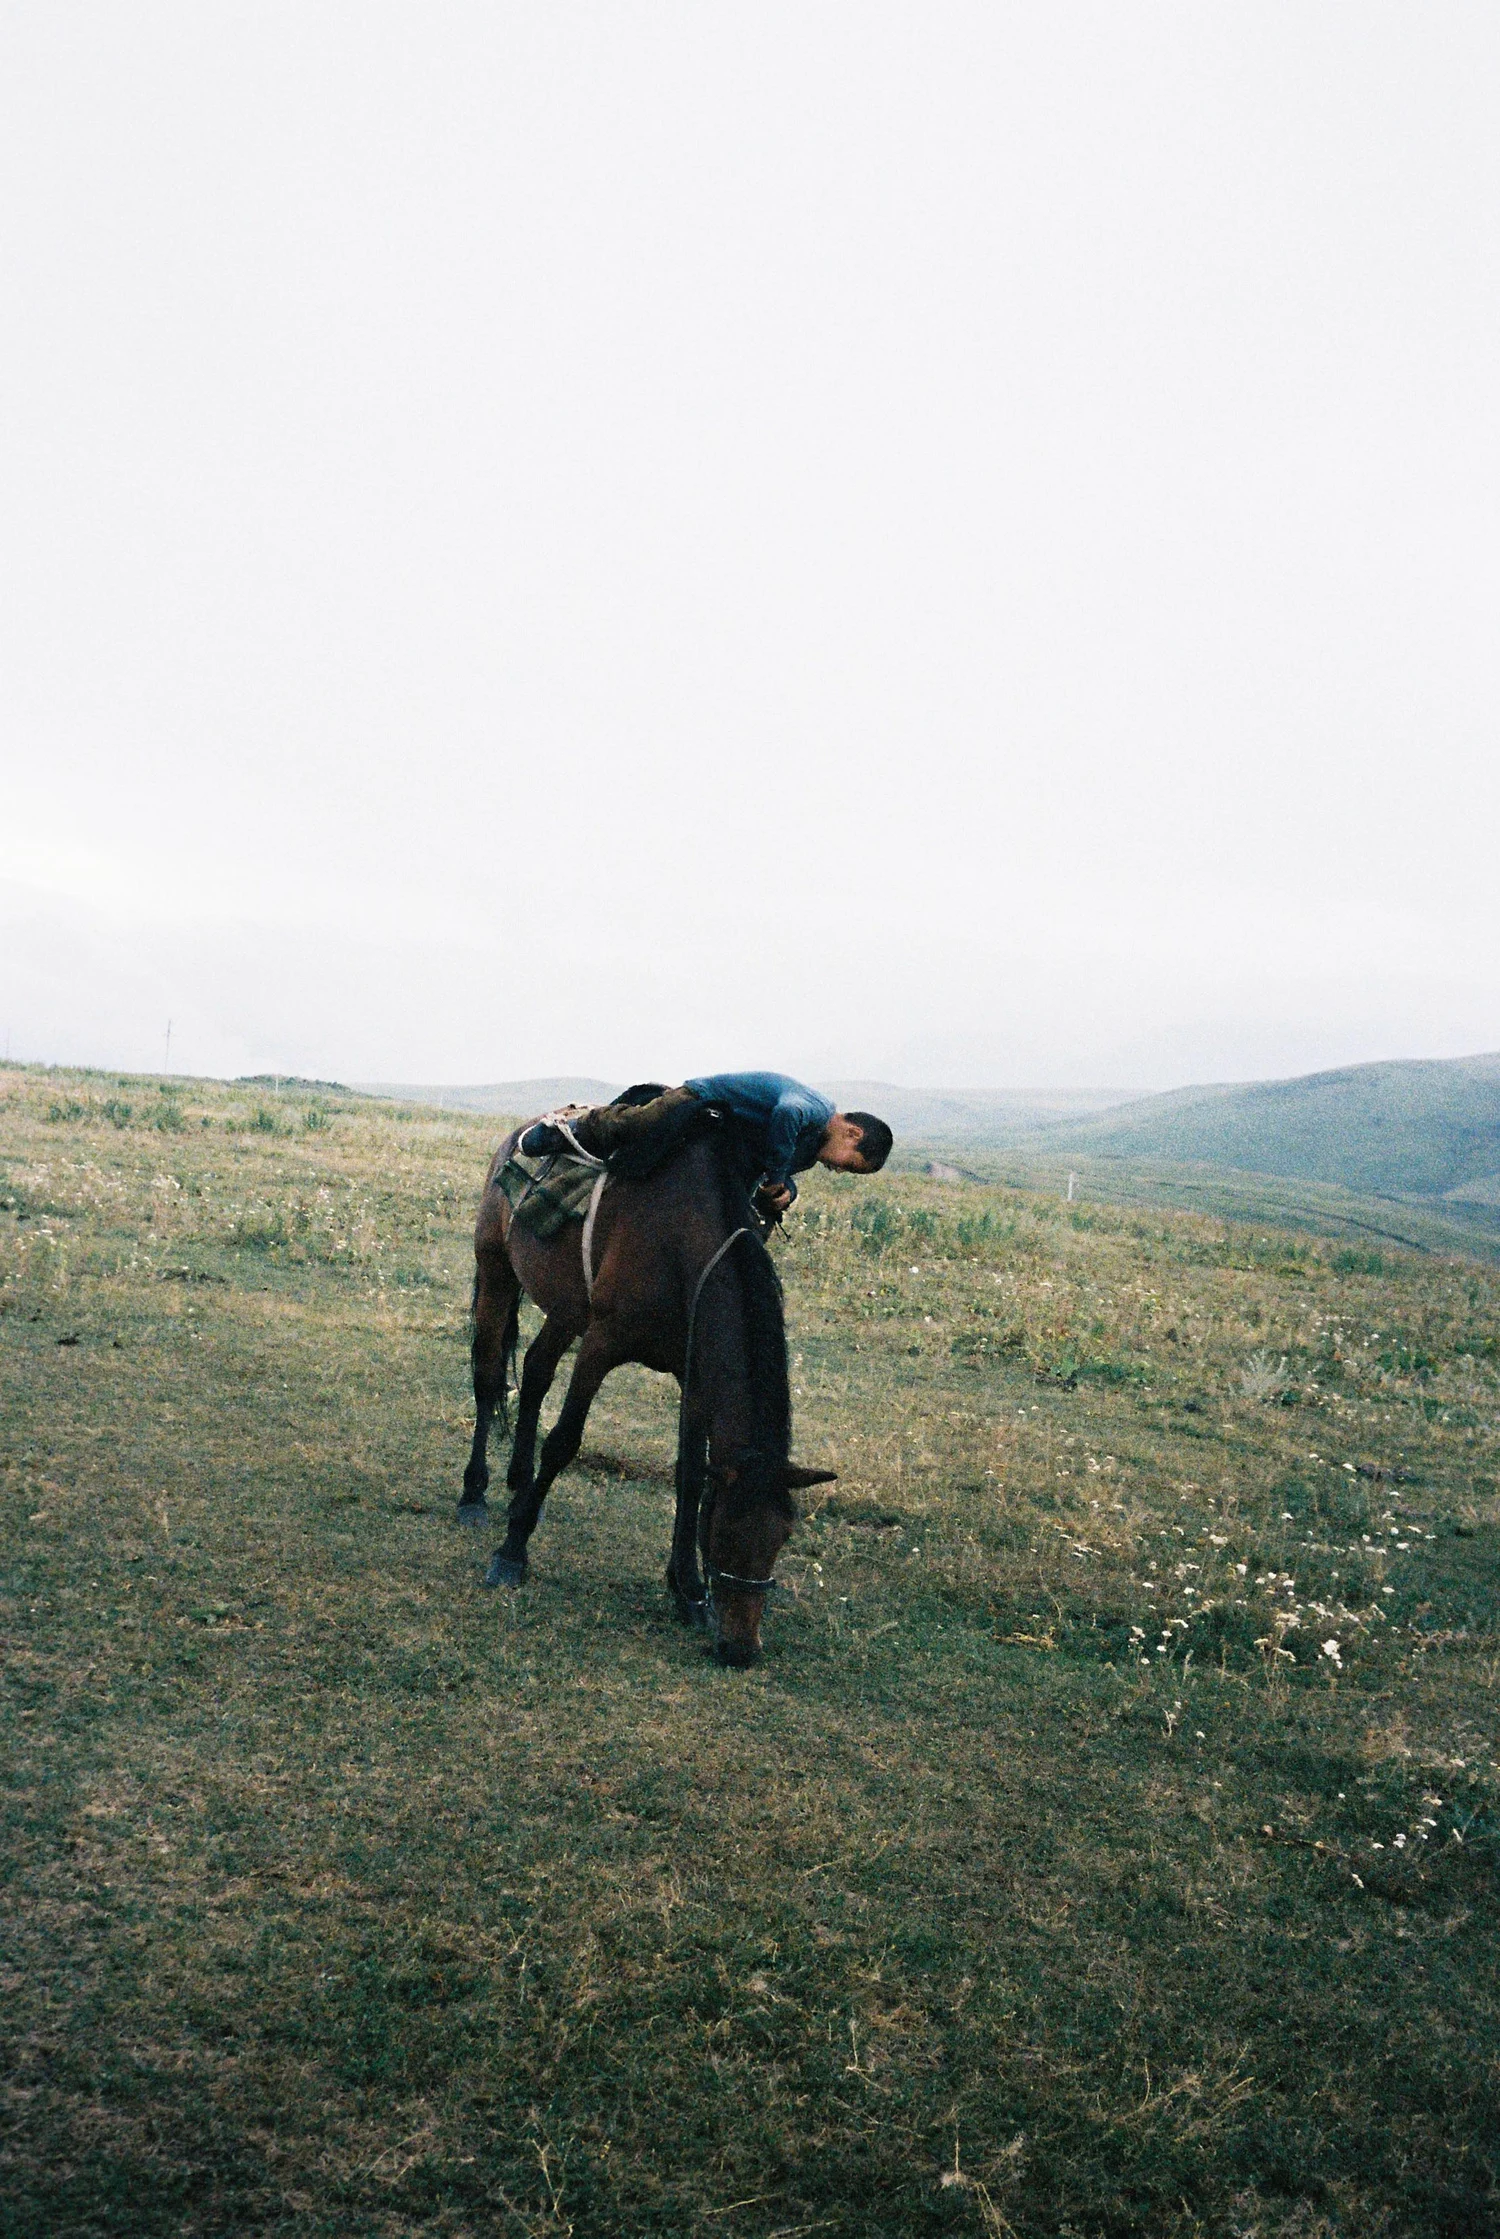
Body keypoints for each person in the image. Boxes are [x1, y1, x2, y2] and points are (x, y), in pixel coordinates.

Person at [520, 1071, 892, 1215]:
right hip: (701, 1100)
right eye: (848, 1164)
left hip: (726, 1136)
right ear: (852, 1133)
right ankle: (568, 1128)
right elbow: (785, 1114)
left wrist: (784, 1191)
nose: (837, 1169)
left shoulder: (809, 1153)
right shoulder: (816, 1108)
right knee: (641, 1123)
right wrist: (779, 1173)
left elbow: (774, 1171)